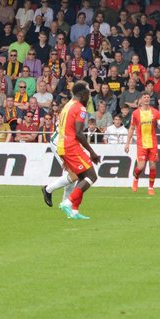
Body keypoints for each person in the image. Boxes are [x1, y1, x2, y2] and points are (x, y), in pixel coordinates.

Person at [41, 81, 101, 221]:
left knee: (80, 177)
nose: (89, 96)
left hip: (62, 145)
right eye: (88, 93)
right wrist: (92, 152)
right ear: (83, 94)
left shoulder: (68, 105)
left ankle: (74, 211)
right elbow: (79, 133)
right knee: (91, 176)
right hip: (70, 146)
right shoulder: (80, 108)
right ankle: (66, 202)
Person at [125, 91, 160, 195]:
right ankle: (136, 178)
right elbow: (132, 128)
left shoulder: (155, 112)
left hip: (153, 143)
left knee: (153, 166)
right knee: (141, 167)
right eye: (145, 97)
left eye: (148, 97)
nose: (147, 99)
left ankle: (150, 187)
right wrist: (127, 143)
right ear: (141, 100)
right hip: (141, 143)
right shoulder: (135, 113)